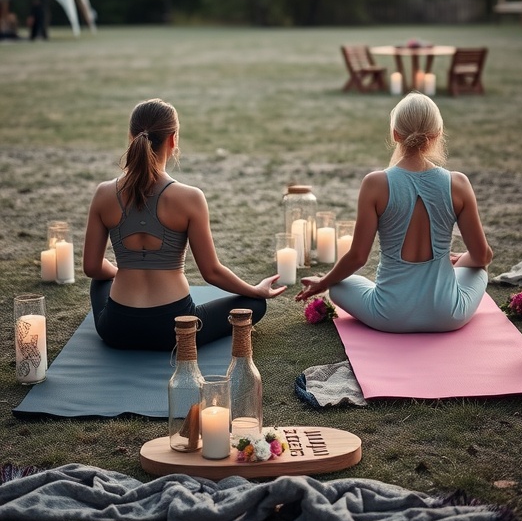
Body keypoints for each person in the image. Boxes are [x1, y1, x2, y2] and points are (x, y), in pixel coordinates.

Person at [83, 98, 286, 351]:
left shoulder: (104, 193)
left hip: (116, 329)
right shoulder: (190, 197)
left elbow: (91, 267)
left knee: (101, 280)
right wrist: (255, 291)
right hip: (177, 330)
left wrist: (121, 271)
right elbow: (211, 272)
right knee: (254, 306)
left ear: (131, 137)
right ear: (173, 139)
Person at [295, 92, 493, 332]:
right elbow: (482, 256)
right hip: (447, 315)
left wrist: (323, 282)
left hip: (389, 315)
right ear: (438, 134)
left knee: (338, 286)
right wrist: (460, 260)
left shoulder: (375, 183)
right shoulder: (458, 183)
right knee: (478, 270)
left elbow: (358, 257)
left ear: (395, 134)